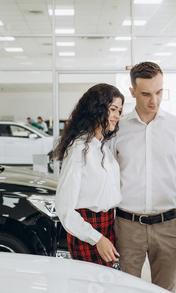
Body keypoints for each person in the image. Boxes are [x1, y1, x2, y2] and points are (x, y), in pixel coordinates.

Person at [108, 61, 176, 292]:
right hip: (127, 227)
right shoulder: (118, 129)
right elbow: (106, 181)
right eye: (146, 94)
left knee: (165, 290)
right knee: (125, 289)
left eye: (159, 92)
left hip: (167, 226)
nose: (154, 101)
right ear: (132, 92)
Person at [54, 83, 124, 266]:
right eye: (113, 109)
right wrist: (97, 239)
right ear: (97, 109)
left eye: (120, 110)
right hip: (89, 233)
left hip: (107, 228)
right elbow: (65, 209)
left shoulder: (102, 145)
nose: (118, 115)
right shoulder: (79, 148)